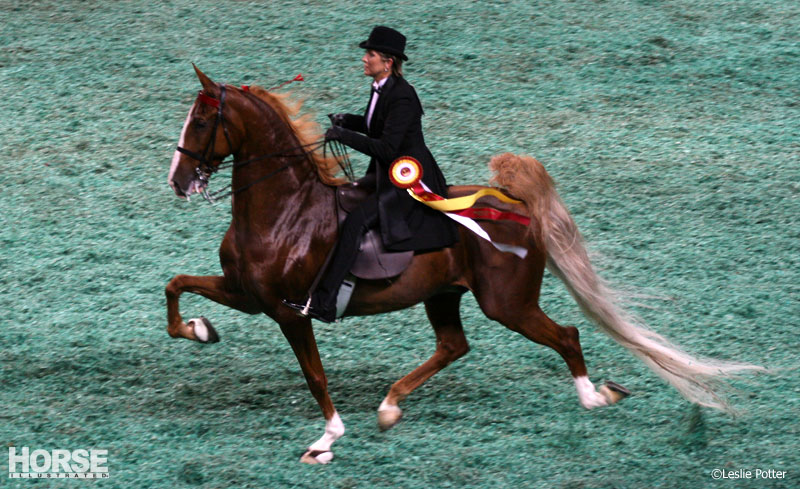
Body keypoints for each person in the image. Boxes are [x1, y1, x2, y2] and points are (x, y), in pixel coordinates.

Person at [283, 26, 458, 322]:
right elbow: (373, 123)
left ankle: (325, 303)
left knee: (356, 222)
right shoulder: (381, 88)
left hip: (409, 178)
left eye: (370, 54)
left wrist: (343, 136)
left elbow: (388, 147)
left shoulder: (403, 96)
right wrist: (346, 121)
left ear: (388, 61)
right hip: (386, 172)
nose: (364, 59)